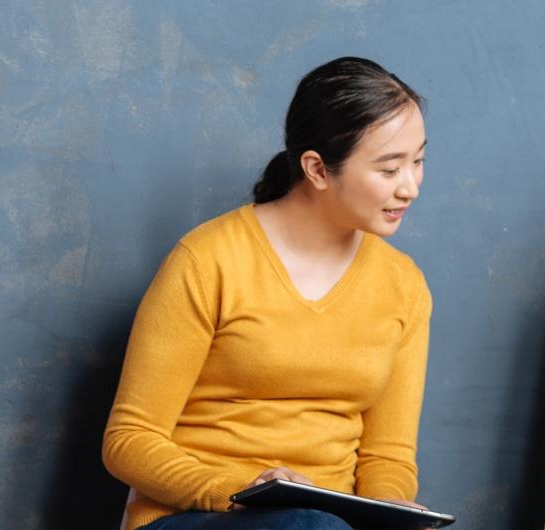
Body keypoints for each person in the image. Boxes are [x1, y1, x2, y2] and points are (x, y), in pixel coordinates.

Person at [102, 56, 431, 530]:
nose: (411, 187)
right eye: (389, 169)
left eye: (418, 161)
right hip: (196, 514)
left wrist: (386, 511)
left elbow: (389, 457)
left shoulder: (404, 284)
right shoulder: (208, 259)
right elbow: (129, 440)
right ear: (317, 169)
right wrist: (242, 491)